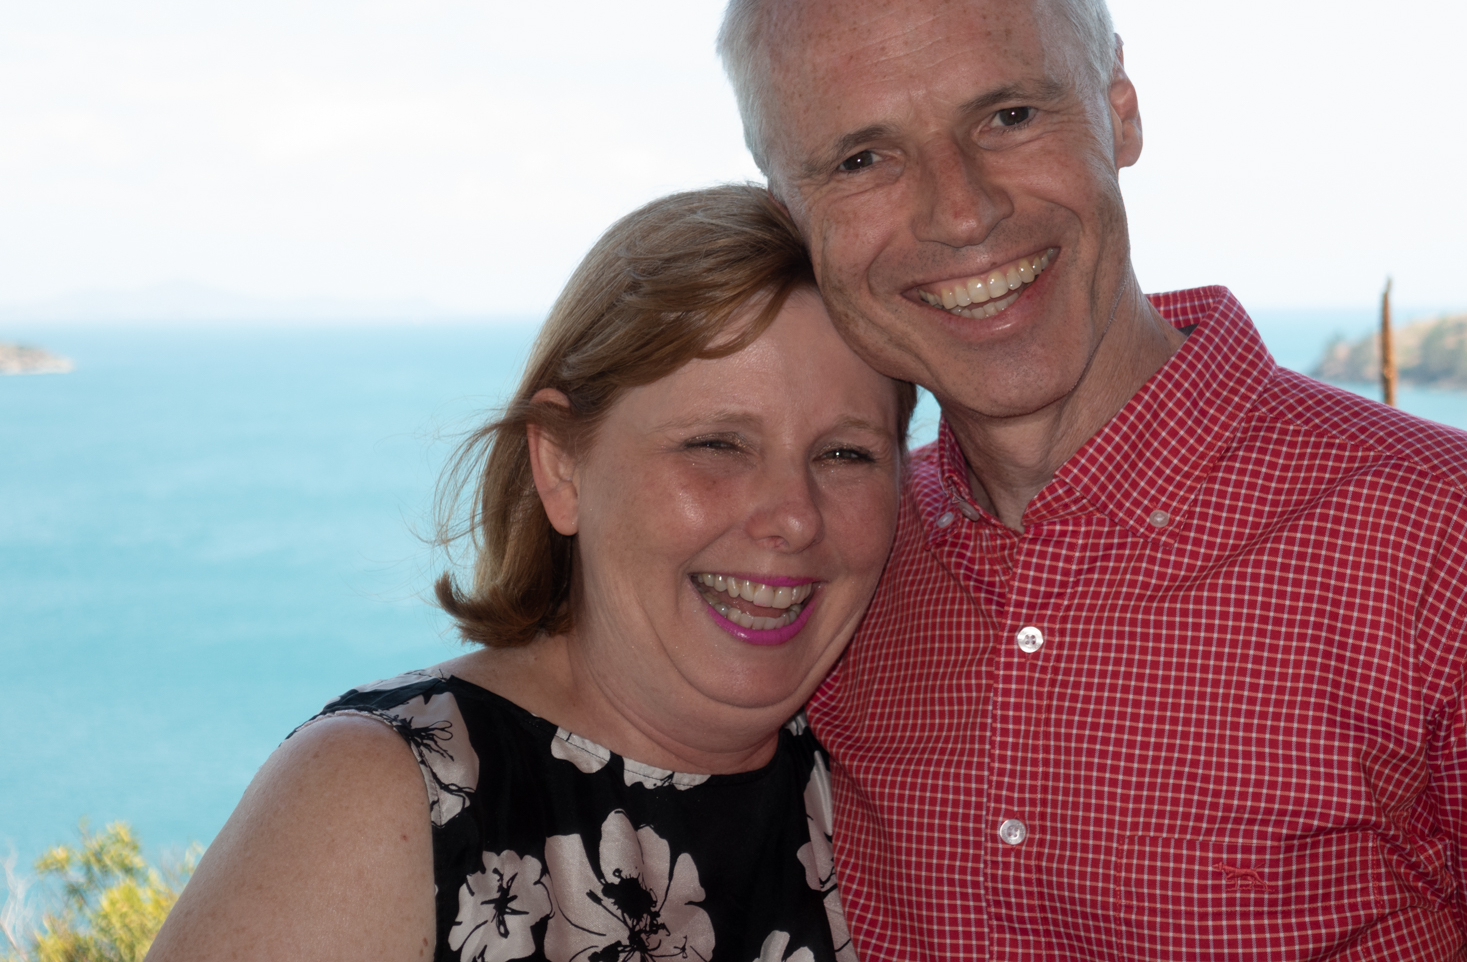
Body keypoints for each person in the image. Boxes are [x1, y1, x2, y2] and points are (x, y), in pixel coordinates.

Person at [716, 0, 1467, 959]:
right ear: (787, 209)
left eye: (1010, 116)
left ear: (1119, 110)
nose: (961, 211)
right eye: (861, 160)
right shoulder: (830, 565)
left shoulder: (1462, 552)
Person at [148, 185, 910, 961]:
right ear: (560, 464)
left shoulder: (899, 791)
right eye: (716, 445)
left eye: (847, 454)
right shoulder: (389, 797)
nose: (794, 516)